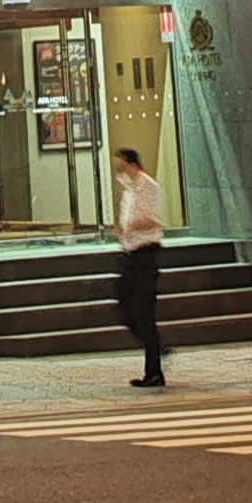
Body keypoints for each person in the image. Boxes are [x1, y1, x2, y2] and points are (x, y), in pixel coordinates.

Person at [113, 146, 168, 389]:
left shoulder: (148, 187)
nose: (118, 172)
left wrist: (134, 226)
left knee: (144, 313)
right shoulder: (129, 191)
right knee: (124, 307)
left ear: (132, 164)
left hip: (147, 253)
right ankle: (156, 345)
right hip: (130, 254)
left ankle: (154, 372)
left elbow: (156, 219)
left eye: (121, 167)